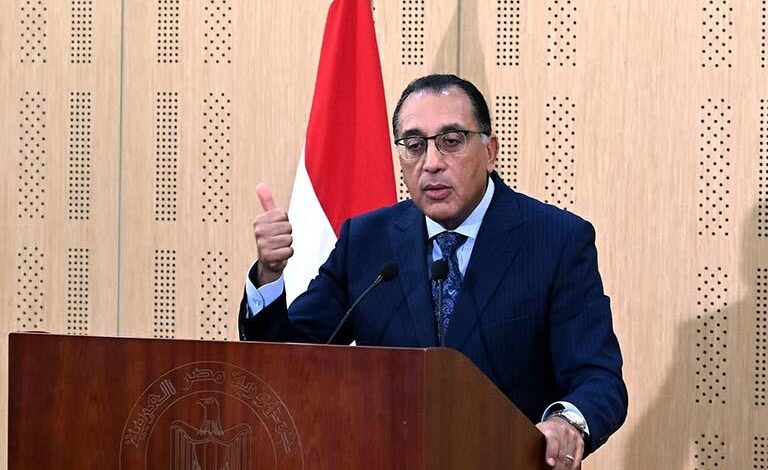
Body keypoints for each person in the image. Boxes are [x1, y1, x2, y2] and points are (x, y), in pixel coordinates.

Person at [239, 74, 627, 469]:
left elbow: (598, 378)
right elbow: (287, 361)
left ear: (490, 151)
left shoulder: (556, 240)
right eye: (414, 145)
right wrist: (269, 274)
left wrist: (567, 424)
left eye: (451, 141)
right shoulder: (367, 240)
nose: (432, 162)